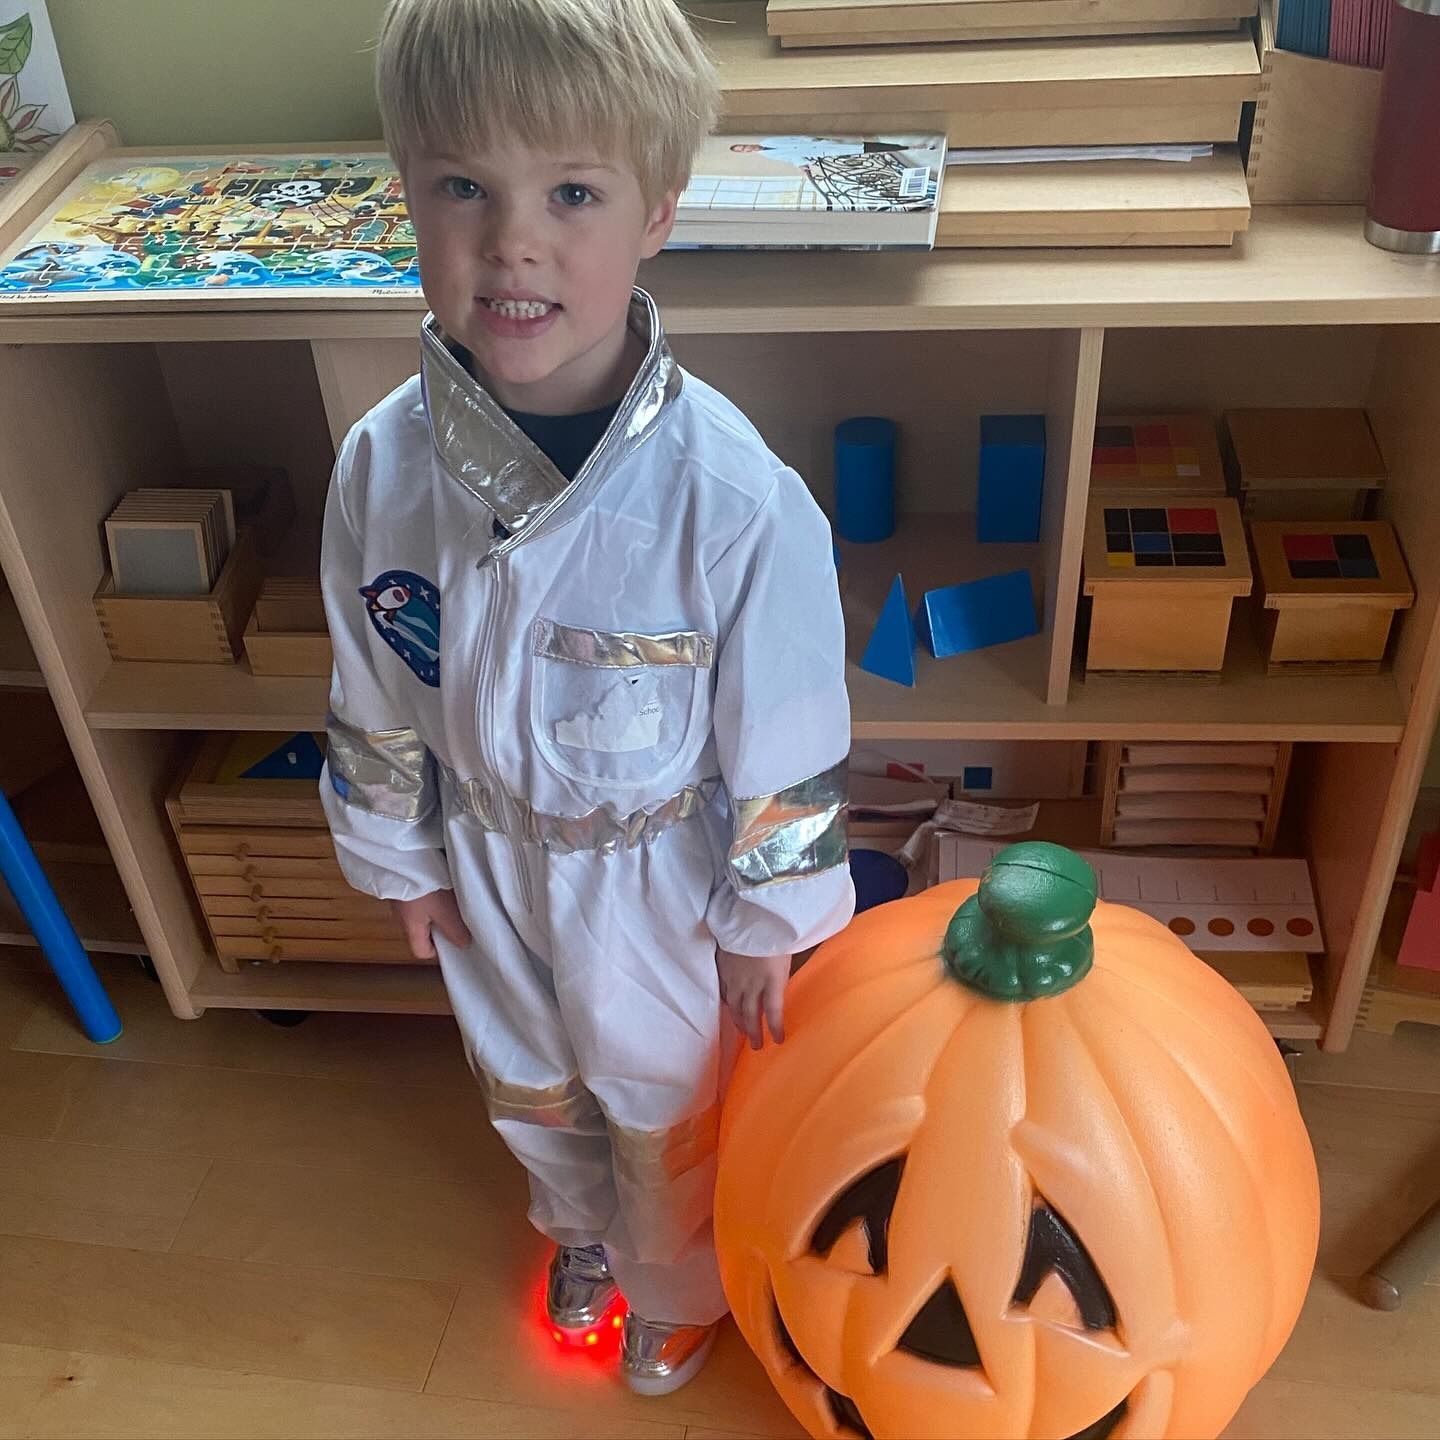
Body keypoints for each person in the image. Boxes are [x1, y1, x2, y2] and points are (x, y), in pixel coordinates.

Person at [319, 0, 855, 1399]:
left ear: (656, 215)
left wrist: (764, 921)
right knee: (530, 1084)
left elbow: (789, 740)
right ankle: (581, 1237)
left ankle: (677, 1282)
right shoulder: (381, 470)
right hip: (491, 868)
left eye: (570, 192)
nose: (514, 242)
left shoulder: (733, 502)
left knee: (665, 1110)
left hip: (658, 889)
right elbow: (374, 682)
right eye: (463, 190)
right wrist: (402, 859)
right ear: (409, 198)